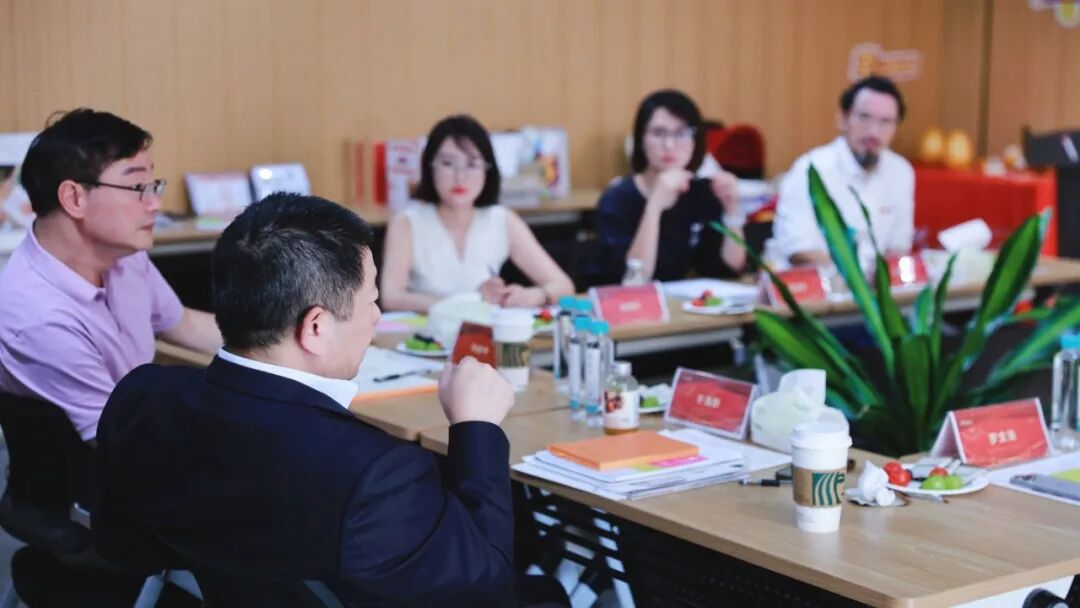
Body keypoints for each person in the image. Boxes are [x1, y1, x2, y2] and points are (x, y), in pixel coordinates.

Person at [93, 194, 530, 606]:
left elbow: (122, 548)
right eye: (371, 301)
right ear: (316, 328)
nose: (376, 317)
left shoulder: (143, 399)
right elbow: (487, 589)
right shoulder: (377, 476)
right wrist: (476, 427)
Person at [0, 109, 221, 443]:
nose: (155, 205)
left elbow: (184, 325)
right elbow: (122, 443)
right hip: (107, 465)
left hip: (144, 430)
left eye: (154, 186)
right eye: (137, 187)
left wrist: (285, 348)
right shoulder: (38, 319)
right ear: (74, 198)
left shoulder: (123, 256)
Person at [380, 115, 573, 312]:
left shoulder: (502, 220)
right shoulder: (406, 222)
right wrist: (469, 302)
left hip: (485, 329)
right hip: (426, 329)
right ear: (430, 167)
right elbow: (391, 297)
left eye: (472, 164)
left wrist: (534, 295)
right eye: (447, 163)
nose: (460, 176)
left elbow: (564, 286)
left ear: (487, 170)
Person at [593, 89, 746, 284]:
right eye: (659, 133)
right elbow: (632, 281)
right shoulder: (616, 199)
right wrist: (654, 207)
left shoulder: (704, 192)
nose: (669, 145)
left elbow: (731, 268)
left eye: (681, 133)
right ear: (640, 139)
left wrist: (732, 210)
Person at [766, 75, 915, 267]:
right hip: (811, 281)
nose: (874, 132)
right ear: (842, 119)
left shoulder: (901, 172)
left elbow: (898, 248)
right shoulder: (811, 169)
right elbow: (799, 251)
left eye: (886, 122)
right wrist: (854, 278)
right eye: (864, 117)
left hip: (872, 284)